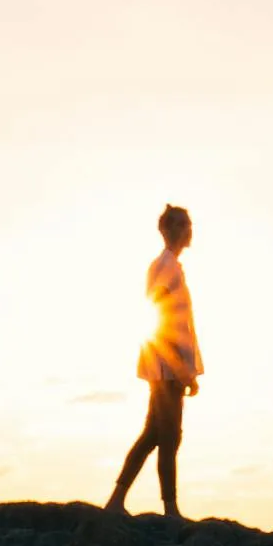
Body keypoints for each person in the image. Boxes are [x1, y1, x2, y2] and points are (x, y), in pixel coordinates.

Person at [105, 204, 200, 523]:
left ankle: (119, 499)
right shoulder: (166, 266)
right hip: (165, 366)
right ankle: (167, 508)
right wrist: (179, 367)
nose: (190, 230)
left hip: (166, 365)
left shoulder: (171, 266)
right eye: (185, 225)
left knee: (157, 434)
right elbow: (159, 313)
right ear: (170, 230)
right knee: (166, 435)